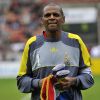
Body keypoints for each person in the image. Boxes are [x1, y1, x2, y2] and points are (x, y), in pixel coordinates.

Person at [16, 3, 94, 100]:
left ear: (63, 19)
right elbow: (21, 81)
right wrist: (41, 83)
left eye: (56, 15)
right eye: (47, 15)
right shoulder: (32, 44)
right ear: (42, 20)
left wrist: (74, 81)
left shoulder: (76, 41)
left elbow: (89, 77)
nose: (51, 17)